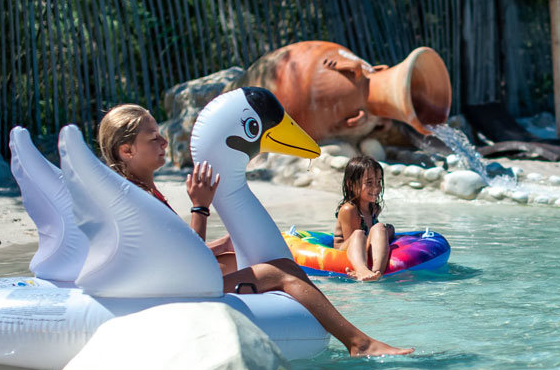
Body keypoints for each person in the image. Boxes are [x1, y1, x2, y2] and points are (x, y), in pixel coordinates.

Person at [97, 104, 413, 357]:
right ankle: (358, 342)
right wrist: (200, 207)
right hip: (176, 294)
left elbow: (169, 255)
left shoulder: (138, 190)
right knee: (282, 270)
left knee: (238, 253)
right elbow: (186, 266)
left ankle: (323, 314)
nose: (164, 142)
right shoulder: (136, 198)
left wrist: (222, 243)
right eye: (154, 138)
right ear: (127, 151)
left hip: (169, 282)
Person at [333, 156, 396, 281]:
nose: (376, 188)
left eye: (378, 182)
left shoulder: (374, 208)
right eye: (369, 183)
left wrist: (385, 231)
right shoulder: (349, 210)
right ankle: (361, 270)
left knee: (380, 227)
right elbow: (356, 242)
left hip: (362, 242)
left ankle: (376, 273)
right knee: (358, 234)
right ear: (351, 184)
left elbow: (372, 235)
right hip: (346, 247)